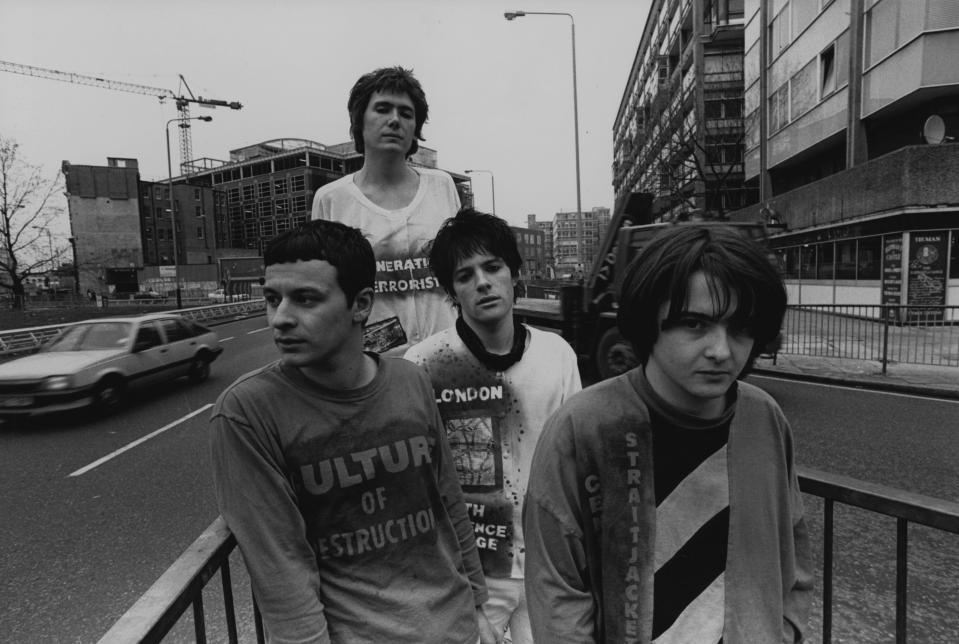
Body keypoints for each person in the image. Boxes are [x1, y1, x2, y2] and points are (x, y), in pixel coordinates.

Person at [209, 219, 496, 643]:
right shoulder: (247, 413)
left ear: (360, 304)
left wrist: (478, 607)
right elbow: (281, 565)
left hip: (456, 626)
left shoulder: (409, 381)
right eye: (273, 299)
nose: (281, 318)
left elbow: (448, 502)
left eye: (306, 299)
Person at [523, 224, 813, 643]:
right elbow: (557, 592)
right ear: (648, 321)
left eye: (741, 328)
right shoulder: (583, 428)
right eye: (695, 324)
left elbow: (793, 552)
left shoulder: (763, 417)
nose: (721, 350)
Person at [405, 208, 582, 644]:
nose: (482, 282)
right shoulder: (423, 366)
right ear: (452, 293)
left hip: (547, 565)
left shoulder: (557, 355)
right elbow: (418, 484)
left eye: (493, 267)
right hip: (469, 574)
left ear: (514, 274)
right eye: (465, 276)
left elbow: (578, 464)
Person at [312, 66, 460, 356]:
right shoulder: (331, 200)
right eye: (382, 109)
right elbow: (325, 288)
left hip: (449, 356)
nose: (395, 120)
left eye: (406, 113)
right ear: (359, 121)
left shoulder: (441, 186)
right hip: (375, 365)